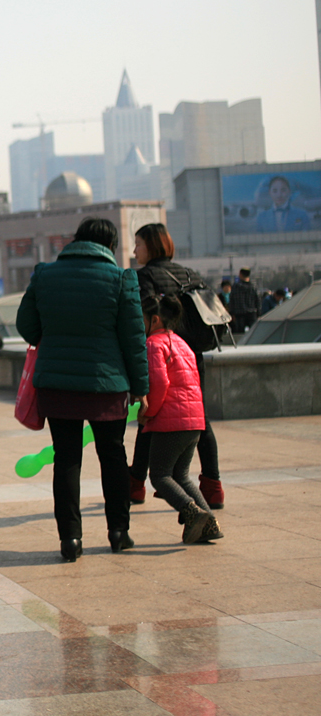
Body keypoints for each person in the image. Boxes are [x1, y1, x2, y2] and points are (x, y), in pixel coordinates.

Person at [16, 217, 148, 562]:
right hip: (107, 384)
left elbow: (27, 327)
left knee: (67, 460)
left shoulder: (44, 274)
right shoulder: (121, 279)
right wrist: (141, 388)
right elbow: (134, 340)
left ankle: (70, 540)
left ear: (76, 240)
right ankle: (119, 532)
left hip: (58, 384)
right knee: (113, 455)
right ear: (110, 245)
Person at [128, 223, 225, 509]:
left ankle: (135, 484)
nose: (135, 250)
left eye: (139, 244)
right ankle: (213, 485)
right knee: (198, 417)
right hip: (191, 356)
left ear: (152, 247)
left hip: (160, 354)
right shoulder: (191, 274)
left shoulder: (143, 277)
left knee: (149, 417)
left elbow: (141, 321)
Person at [139, 294, 223, 544]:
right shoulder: (181, 343)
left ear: (154, 320)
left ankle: (191, 512)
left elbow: (159, 382)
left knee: (160, 476)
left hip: (170, 421)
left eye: (141, 320)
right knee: (182, 475)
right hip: (194, 420)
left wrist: (149, 412)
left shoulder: (154, 344)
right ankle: (210, 523)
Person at [229, 268, 260, 334]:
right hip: (252, 313)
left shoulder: (236, 286)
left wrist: (231, 313)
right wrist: (258, 313)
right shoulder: (253, 286)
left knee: (239, 334)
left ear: (240, 274)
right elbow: (257, 301)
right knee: (253, 333)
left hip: (239, 313)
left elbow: (232, 300)